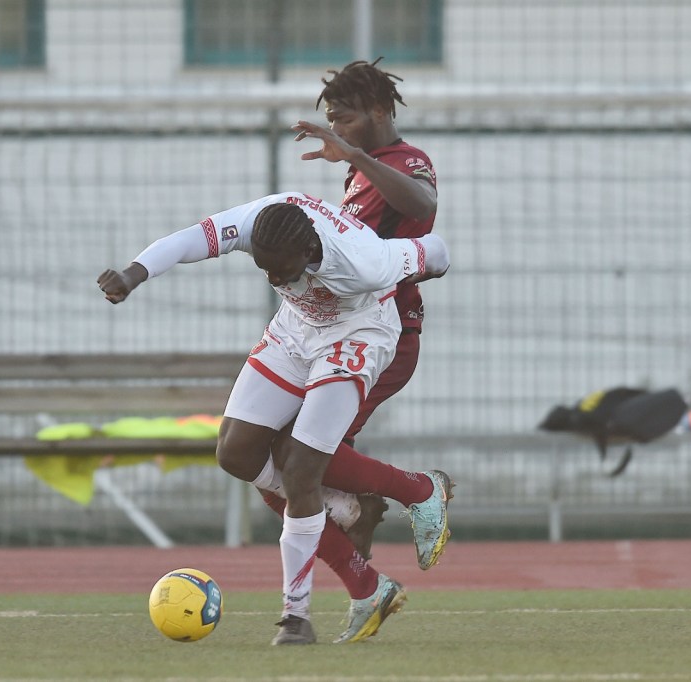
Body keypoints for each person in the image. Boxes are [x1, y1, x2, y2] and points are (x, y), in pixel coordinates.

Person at [98, 191, 450, 645]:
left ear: (309, 252)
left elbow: (434, 251)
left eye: (280, 269)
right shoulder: (258, 222)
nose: (272, 276)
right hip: (295, 333)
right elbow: (187, 240)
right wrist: (132, 275)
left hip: (357, 337)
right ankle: (361, 562)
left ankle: (296, 615)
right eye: (263, 267)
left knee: (301, 467)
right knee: (235, 453)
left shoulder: (365, 259)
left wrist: (432, 266)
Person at [256, 59, 449, 641]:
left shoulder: (405, 162)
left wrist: (355, 154)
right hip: (332, 338)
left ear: (380, 113)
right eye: (331, 119)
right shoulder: (358, 176)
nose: (336, 128)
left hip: (386, 338)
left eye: (345, 118)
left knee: (297, 464)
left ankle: (419, 489)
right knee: (270, 470)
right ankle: (367, 583)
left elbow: (418, 204)